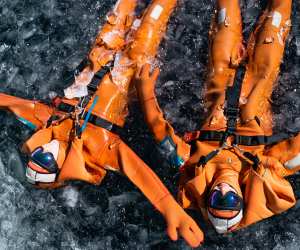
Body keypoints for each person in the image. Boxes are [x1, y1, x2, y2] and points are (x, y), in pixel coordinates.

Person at [0, 0, 203, 247]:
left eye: (35, 154)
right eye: (44, 160)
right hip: (128, 71)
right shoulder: (100, 151)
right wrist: (171, 209)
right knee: (153, 20)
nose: (43, 150)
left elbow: (11, 103)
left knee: (120, 12)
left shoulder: (48, 124)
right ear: (61, 168)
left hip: (100, 55)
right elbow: (138, 172)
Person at [135, 0, 299, 234]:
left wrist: (145, 93)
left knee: (225, 19)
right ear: (241, 198)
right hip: (258, 81)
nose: (223, 191)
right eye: (230, 201)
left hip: (221, 77)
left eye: (216, 200)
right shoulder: (265, 171)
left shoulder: (192, 167)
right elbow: (296, 152)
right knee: (275, 20)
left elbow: (160, 134)